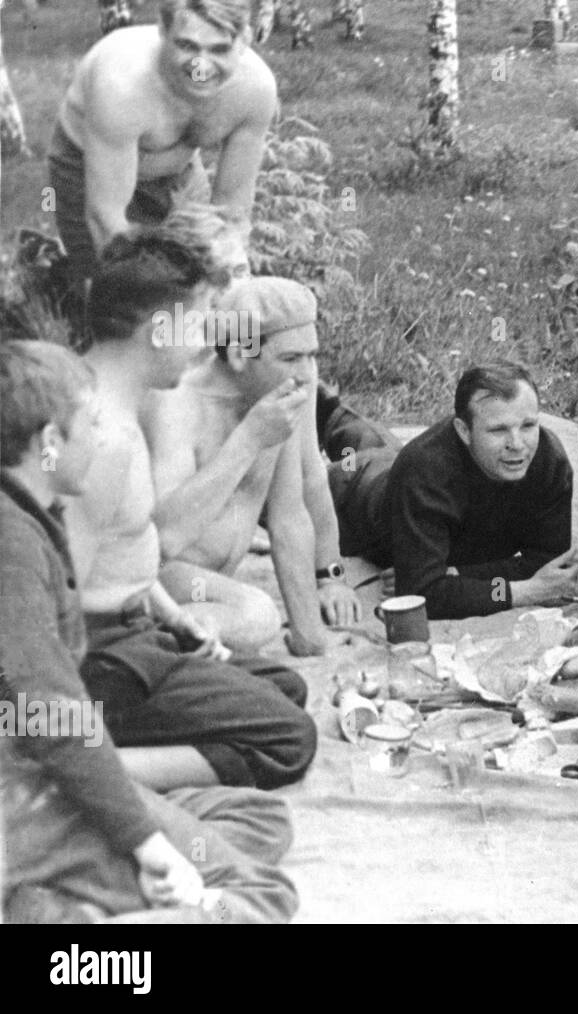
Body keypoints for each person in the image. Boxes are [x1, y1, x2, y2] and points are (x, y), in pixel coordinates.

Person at [0, 340, 297, 924]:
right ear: (51, 444)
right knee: (261, 899)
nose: (106, 433)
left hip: (34, 776)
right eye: (93, 420)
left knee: (261, 818)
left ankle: (52, 904)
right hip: (20, 796)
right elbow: (51, 710)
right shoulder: (11, 547)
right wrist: (146, 842)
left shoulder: (30, 516)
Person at [67, 229, 316, 794]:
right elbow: (55, 597)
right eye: (199, 323)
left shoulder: (112, 406)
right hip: (104, 660)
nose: (208, 342)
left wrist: (175, 619)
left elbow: (126, 552)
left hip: (136, 630)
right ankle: (85, 770)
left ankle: (112, 740)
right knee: (289, 737)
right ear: (160, 331)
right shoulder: (103, 440)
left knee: (282, 688)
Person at [144, 274, 363, 656]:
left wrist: (312, 627)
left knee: (259, 617)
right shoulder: (179, 403)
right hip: (157, 581)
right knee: (258, 613)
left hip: (214, 587)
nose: (308, 373)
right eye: (291, 358)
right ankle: (182, 634)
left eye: (312, 355)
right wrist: (249, 439)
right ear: (239, 355)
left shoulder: (287, 391)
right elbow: (165, 538)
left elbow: (291, 514)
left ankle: (192, 634)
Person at [49, 0, 276, 289]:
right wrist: (146, 296)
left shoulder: (255, 90)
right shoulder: (121, 85)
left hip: (175, 170)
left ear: (244, 40)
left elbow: (231, 208)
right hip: (87, 166)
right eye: (187, 46)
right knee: (110, 297)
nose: (200, 67)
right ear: (162, 32)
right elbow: (107, 218)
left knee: (205, 276)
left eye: (219, 49)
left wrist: (230, 281)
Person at [326, 362, 578, 620]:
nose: (517, 444)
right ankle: (322, 405)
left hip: (412, 480)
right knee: (359, 453)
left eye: (528, 425)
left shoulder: (549, 459)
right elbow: (424, 595)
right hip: (361, 493)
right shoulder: (425, 468)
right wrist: (523, 591)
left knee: (375, 443)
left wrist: (460, 575)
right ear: (463, 430)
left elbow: (549, 566)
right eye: (498, 429)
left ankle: (331, 409)